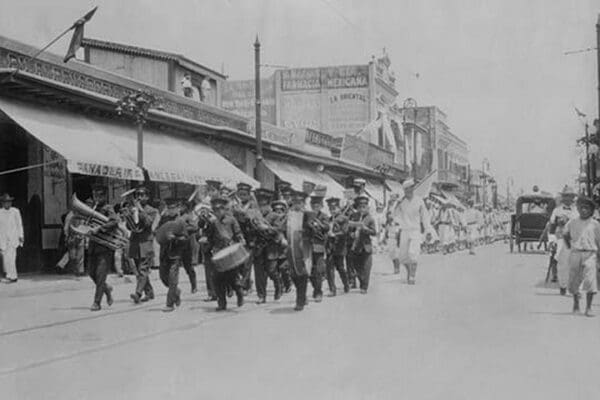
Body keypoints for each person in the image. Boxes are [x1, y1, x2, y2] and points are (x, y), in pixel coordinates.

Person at [203, 196, 246, 311]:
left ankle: (240, 293)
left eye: (220, 209)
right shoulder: (212, 222)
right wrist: (205, 241)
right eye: (215, 210)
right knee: (217, 279)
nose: (218, 212)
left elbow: (238, 232)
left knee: (233, 278)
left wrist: (241, 239)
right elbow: (209, 236)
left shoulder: (231, 220)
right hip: (218, 252)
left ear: (224, 209)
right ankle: (222, 303)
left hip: (230, 251)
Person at [389, 179, 433, 285]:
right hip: (404, 231)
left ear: (413, 189)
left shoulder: (419, 200)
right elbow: (393, 216)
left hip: (415, 231)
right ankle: (409, 272)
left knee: (413, 254)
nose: (408, 191)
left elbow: (425, 217)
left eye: (410, 188)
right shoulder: (401, 202)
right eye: (406, 189)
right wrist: (396, 204)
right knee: (403, 257)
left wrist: (428, 230)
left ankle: (412, 276)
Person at [562, 196, 600, 317]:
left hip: (590, 254)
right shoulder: (572, 222)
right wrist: (569, 246)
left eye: (587, 208)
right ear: (577, 209)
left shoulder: (595, 224)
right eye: (581, 207)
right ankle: (576, 304)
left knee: (590, 280)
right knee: (574, 280)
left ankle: (589, 307)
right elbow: (565, 234)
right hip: (576, 253)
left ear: (591, 210)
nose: (584, 210)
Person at [86, 185, 117, 311]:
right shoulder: (92, 209)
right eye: (95, 196)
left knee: (100, 275)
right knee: (91, 272)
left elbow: (114, 221)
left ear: (104, 196)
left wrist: (99, 228)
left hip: (105, 247)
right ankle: (106, 289)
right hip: (93, 245)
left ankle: (97, 302)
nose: (96, 198)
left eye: (99, 196)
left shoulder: (108, 208)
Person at [128, 186, 159, 304]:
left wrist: (140, 209)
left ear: (147, 197)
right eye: (138, 195)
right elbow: (128, 226)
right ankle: (149, 292)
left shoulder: (152, 210)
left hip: (146, 242)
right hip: (135, 242)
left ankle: (138, 293)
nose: (139, 198)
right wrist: (129, 215)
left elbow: (148, 223)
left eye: (142, 195)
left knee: (143, 269)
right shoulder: (133, 209)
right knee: (140, 270)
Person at [253, 188, 282, 304]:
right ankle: (261, 296)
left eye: (264, 203)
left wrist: (267, 228)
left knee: (271, 270)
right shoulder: (254, 215)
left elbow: (278, 230)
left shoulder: (275, 215)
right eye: (259, 203)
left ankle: (278, 284)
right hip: (259, 246)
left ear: (268, 203)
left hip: (271, 247)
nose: (261, 206)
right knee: (259, 273)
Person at [548, 186, 578, 294]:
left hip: (575, 240)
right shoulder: (557, 211)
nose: (568, 199)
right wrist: (552, 241)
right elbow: (552, 227)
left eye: (570, 197)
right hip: (561, 239)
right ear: (563, 198)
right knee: (562, 263)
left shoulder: (577, 211)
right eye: (566, 196)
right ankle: (563, 285)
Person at [285, 190, 311, 311]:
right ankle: (303, 296)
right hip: (290, 249)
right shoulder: (288, 215)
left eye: (299, 202)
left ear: (303, 203)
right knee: (294, 275)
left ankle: (299, 301)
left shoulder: (307, 215)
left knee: (302, 275)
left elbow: (313, 230)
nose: (297, 204)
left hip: (304, 248)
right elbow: (281, 228)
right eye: (295, 202)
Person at [348, 195, 377, 294]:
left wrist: (365, 229)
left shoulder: (370, 218)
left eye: (364, 207)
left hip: (366, 246)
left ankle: (364, 286)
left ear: (367, 207)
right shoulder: (354, 216)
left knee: (366, 267)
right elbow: (349, 228)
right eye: (360, 207)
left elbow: (374, 232)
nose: (362, 209)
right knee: (357, 266)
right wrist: (351, 233)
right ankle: (361, 281)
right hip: (356, 246)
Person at [306, 191, 330, 302]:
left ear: (321, 206)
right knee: (309, 271)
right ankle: (315, 288)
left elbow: (326, 228)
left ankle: (318, 292)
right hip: (307, 246)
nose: (315, 207)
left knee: (318, 270)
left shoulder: (324, 216)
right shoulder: (307, 215)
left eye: (318, 205)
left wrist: (317, 223)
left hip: (319, 246)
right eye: (313, 205)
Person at [325, 197, 349, 296]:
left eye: (334, 208)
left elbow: (344, 231)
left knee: (340, 268)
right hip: (330, 248)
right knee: (329, 268)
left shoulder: (344, 218)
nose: (332, 211)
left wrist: (334, 234)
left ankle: (346, 284)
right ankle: (332, 289)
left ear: (339, 208)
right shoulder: (329, 219)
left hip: (340, 247)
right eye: (330, 209)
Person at [269, 199, 292, 294]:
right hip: (273, 249)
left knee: (284, 269)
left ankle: (287, 283)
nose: (278, 212)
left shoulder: (288, 220)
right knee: (273, 270)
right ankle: (279, 286)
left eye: (280, 210)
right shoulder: (270, 221)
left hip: (285, 249)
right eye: (276, 210)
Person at [0, 193, 23, 283]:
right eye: (6, 202)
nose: (8, 204)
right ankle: (9, 275)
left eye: (9, 202)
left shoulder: (15, 211)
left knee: (12, 258)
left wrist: (21, 235)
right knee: (6, 259)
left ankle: (14, 276)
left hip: (13, 238)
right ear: (2, 203)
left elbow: (19, 224)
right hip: (3, 239)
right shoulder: (0, 213)